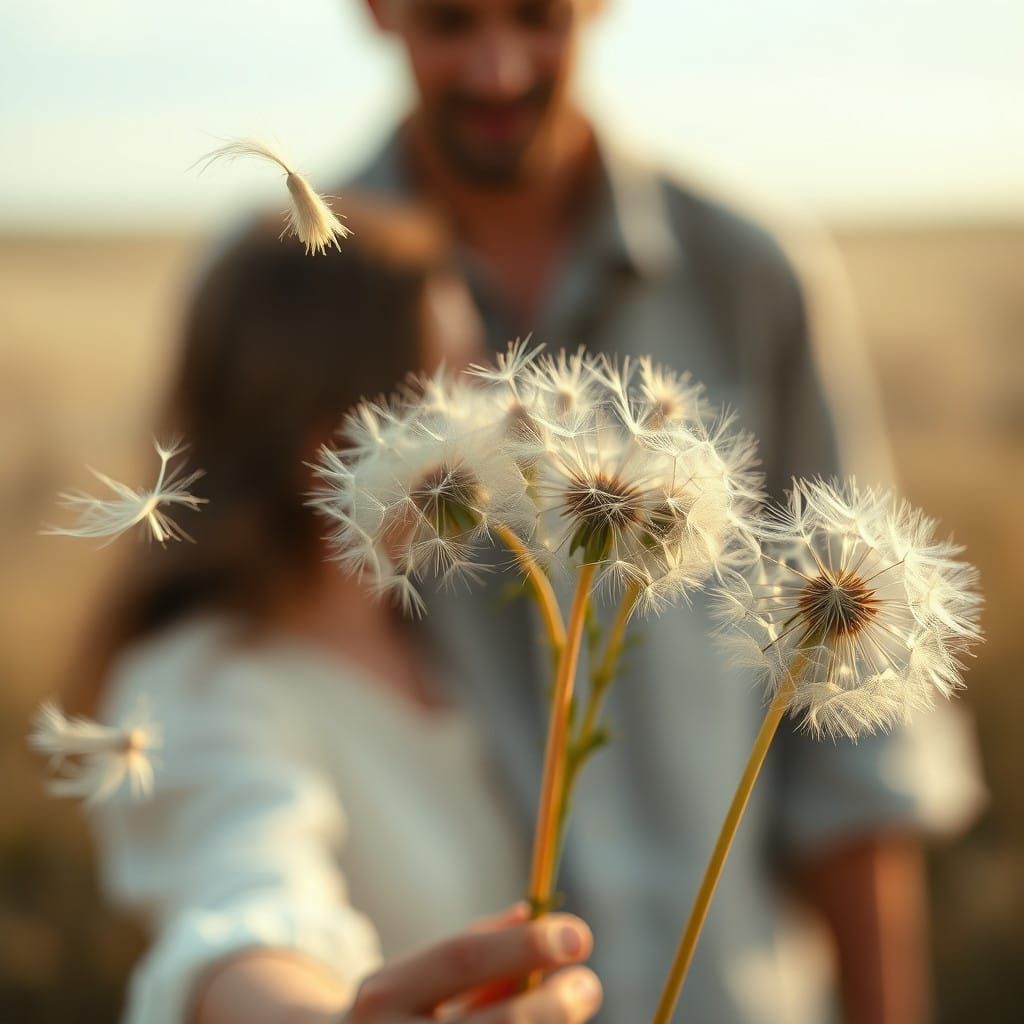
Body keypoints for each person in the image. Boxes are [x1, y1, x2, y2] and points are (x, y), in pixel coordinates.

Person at [332, 1, 985, 1022]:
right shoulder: (292, 287)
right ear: (377, 10)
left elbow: (858, 749)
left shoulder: (752, 270)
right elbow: (229, 680)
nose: (498, 70)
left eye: (538, 17)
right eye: (450, 20)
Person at [86, 208, 604, 1024]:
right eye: (458, 383)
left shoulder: (445, 627)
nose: (501, 412)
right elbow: (246, 904)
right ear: (336, 438)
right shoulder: (194, 686)